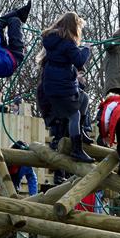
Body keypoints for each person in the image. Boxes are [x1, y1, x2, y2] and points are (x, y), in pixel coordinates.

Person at [39, 12, 93, 163]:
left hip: (54, 84)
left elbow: (69, 57)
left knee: (84, 98)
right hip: (61, 87)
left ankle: (80, 131)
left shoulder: (53, 40)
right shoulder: (68, 43)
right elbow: (79, 59)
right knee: (74, 115)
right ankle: (77, 149)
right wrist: (87, 49)